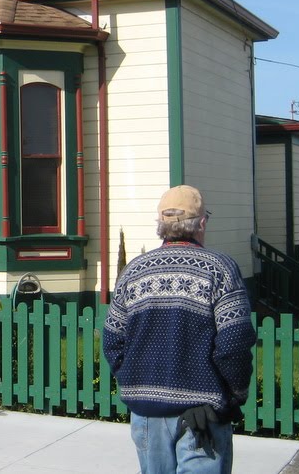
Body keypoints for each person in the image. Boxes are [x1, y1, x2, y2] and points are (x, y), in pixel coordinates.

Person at [103, 185, 256, 474]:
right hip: (204, 417)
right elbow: (234, 342)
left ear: (162, 225)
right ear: (201, 223)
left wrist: (137, 384)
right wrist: (232, 397)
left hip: (146, 416)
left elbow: (113, 340)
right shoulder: (220, 269)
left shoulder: (133, 272)